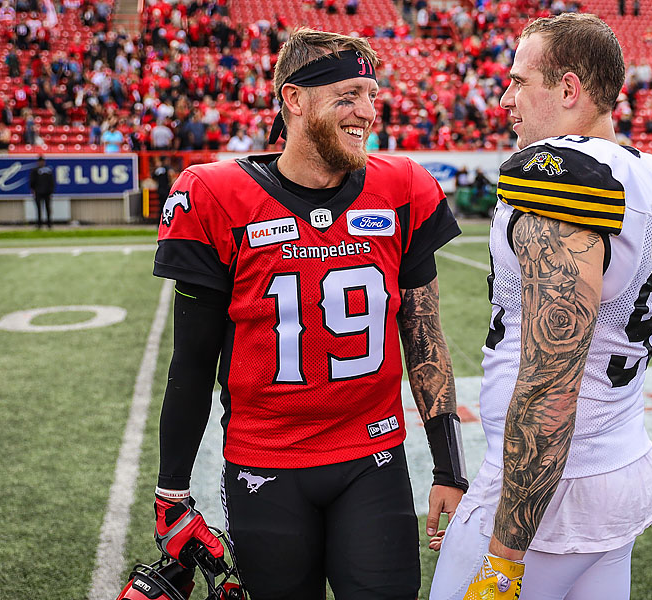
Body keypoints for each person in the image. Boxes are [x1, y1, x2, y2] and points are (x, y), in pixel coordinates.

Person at [152, 28, 467, 600]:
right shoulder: (215, 194)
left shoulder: (402, 187)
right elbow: (192, 364)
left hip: (373, 455)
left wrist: (449, 465)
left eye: (371, 94)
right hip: (264, 465)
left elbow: (424, 337)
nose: (367, 112)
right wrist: (171, 490)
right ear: (294, 100)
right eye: (347, 95)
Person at [430, 13, 652, 600]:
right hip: (620, 461)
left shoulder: (563, 178)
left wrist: (503, 557)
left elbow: (550, 380)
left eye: (521, 81)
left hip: (546, 490)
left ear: (568, 90)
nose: (506, 98)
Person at [29, 155, 55, 228]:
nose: (41, 163)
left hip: (47, 192)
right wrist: (33, 190)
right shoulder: (34, 170)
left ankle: (49, 224)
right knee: (39, 209)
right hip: (38, 192)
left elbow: (51, 182)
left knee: (48, 208)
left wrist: (51, 191)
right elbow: (32, 181)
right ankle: (39, 224)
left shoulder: (48, 171)